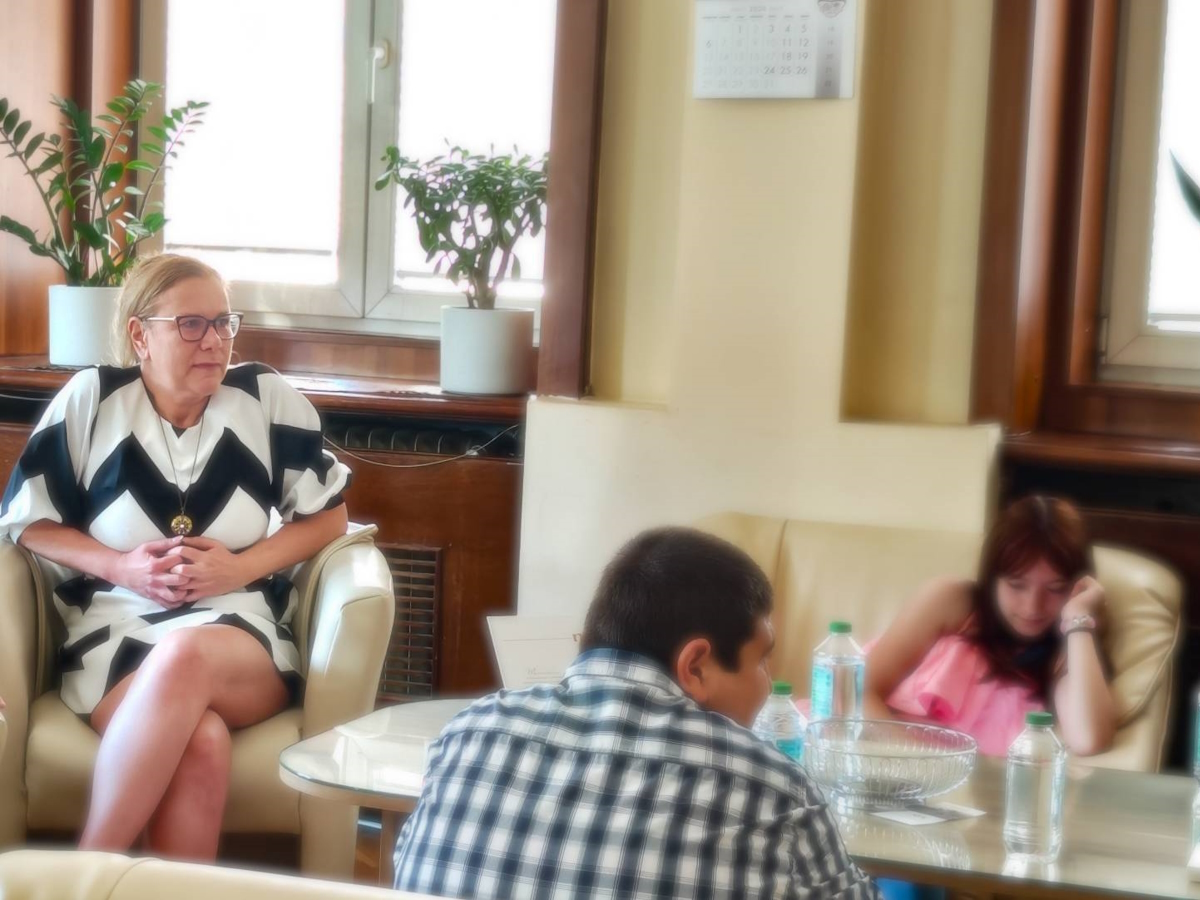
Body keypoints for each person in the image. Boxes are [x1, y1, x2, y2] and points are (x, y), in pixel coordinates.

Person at [0, 254, 351, 859]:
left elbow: (331, 516)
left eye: (223, 322)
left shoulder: (263, 398)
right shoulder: (94, 399)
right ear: (140, 334)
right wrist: (120, 567)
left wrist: (240, 567)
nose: (214, 340)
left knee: (184, 654)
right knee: (201, 743)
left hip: (241, 633)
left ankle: (85, 875)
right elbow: (25, 520)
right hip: (114, 637)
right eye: (191, 324)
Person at [393, 526, 879, 900]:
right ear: (695, 665)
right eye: (762, 661)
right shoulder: (773, 789)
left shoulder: (466, 736)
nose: (767, 683)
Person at [863, 495, 1115, 758]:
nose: (1033, 607)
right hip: (885, 758)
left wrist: (1078, 618)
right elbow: (858, 691)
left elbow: (1089, 739)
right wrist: (917, 763)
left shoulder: (1063, 654)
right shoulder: (952, 602)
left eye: (1055, 589)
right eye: (1016, 585)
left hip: (955, 780)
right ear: (993, 579)